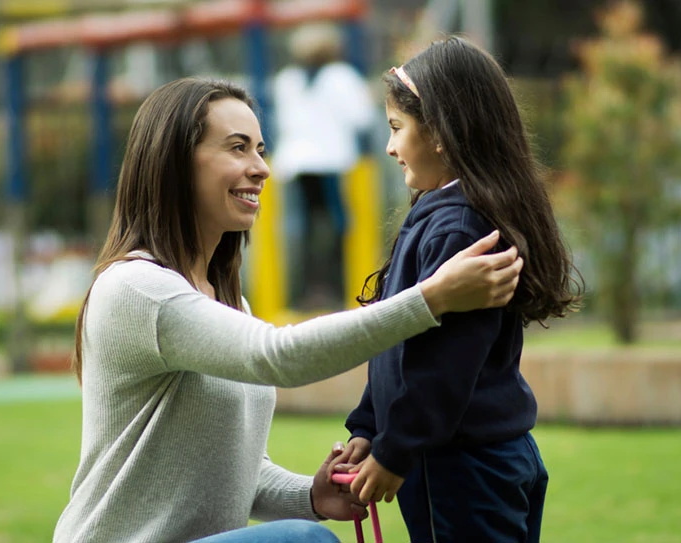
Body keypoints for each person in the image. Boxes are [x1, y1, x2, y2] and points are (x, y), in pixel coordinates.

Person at [52, 76, 524, 543]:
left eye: (260, 149)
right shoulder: (137, 289)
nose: (261, 168)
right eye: (238, 148)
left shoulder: (227, 302)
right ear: (175, 165)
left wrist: (314, 497)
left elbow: (236, 471)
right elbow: (277, 354)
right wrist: (432, 298)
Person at [329, 36, 582, 542]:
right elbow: (399, 345)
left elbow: (445, 363)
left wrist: (394, 449)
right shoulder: (443, 213)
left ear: (441, 133)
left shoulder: (459, 229)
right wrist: (367, 428)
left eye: (397, 129)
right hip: (480, 458)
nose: (390, 147)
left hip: (459, 467)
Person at [271, 22, 374, 309]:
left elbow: (283, 122)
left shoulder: (287, 79)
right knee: (340, 226)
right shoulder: (343, 77)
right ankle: (339, 289)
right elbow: (361, 119)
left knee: (301, 230)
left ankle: (306, 292)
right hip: (334, 162)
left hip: (294, 164)